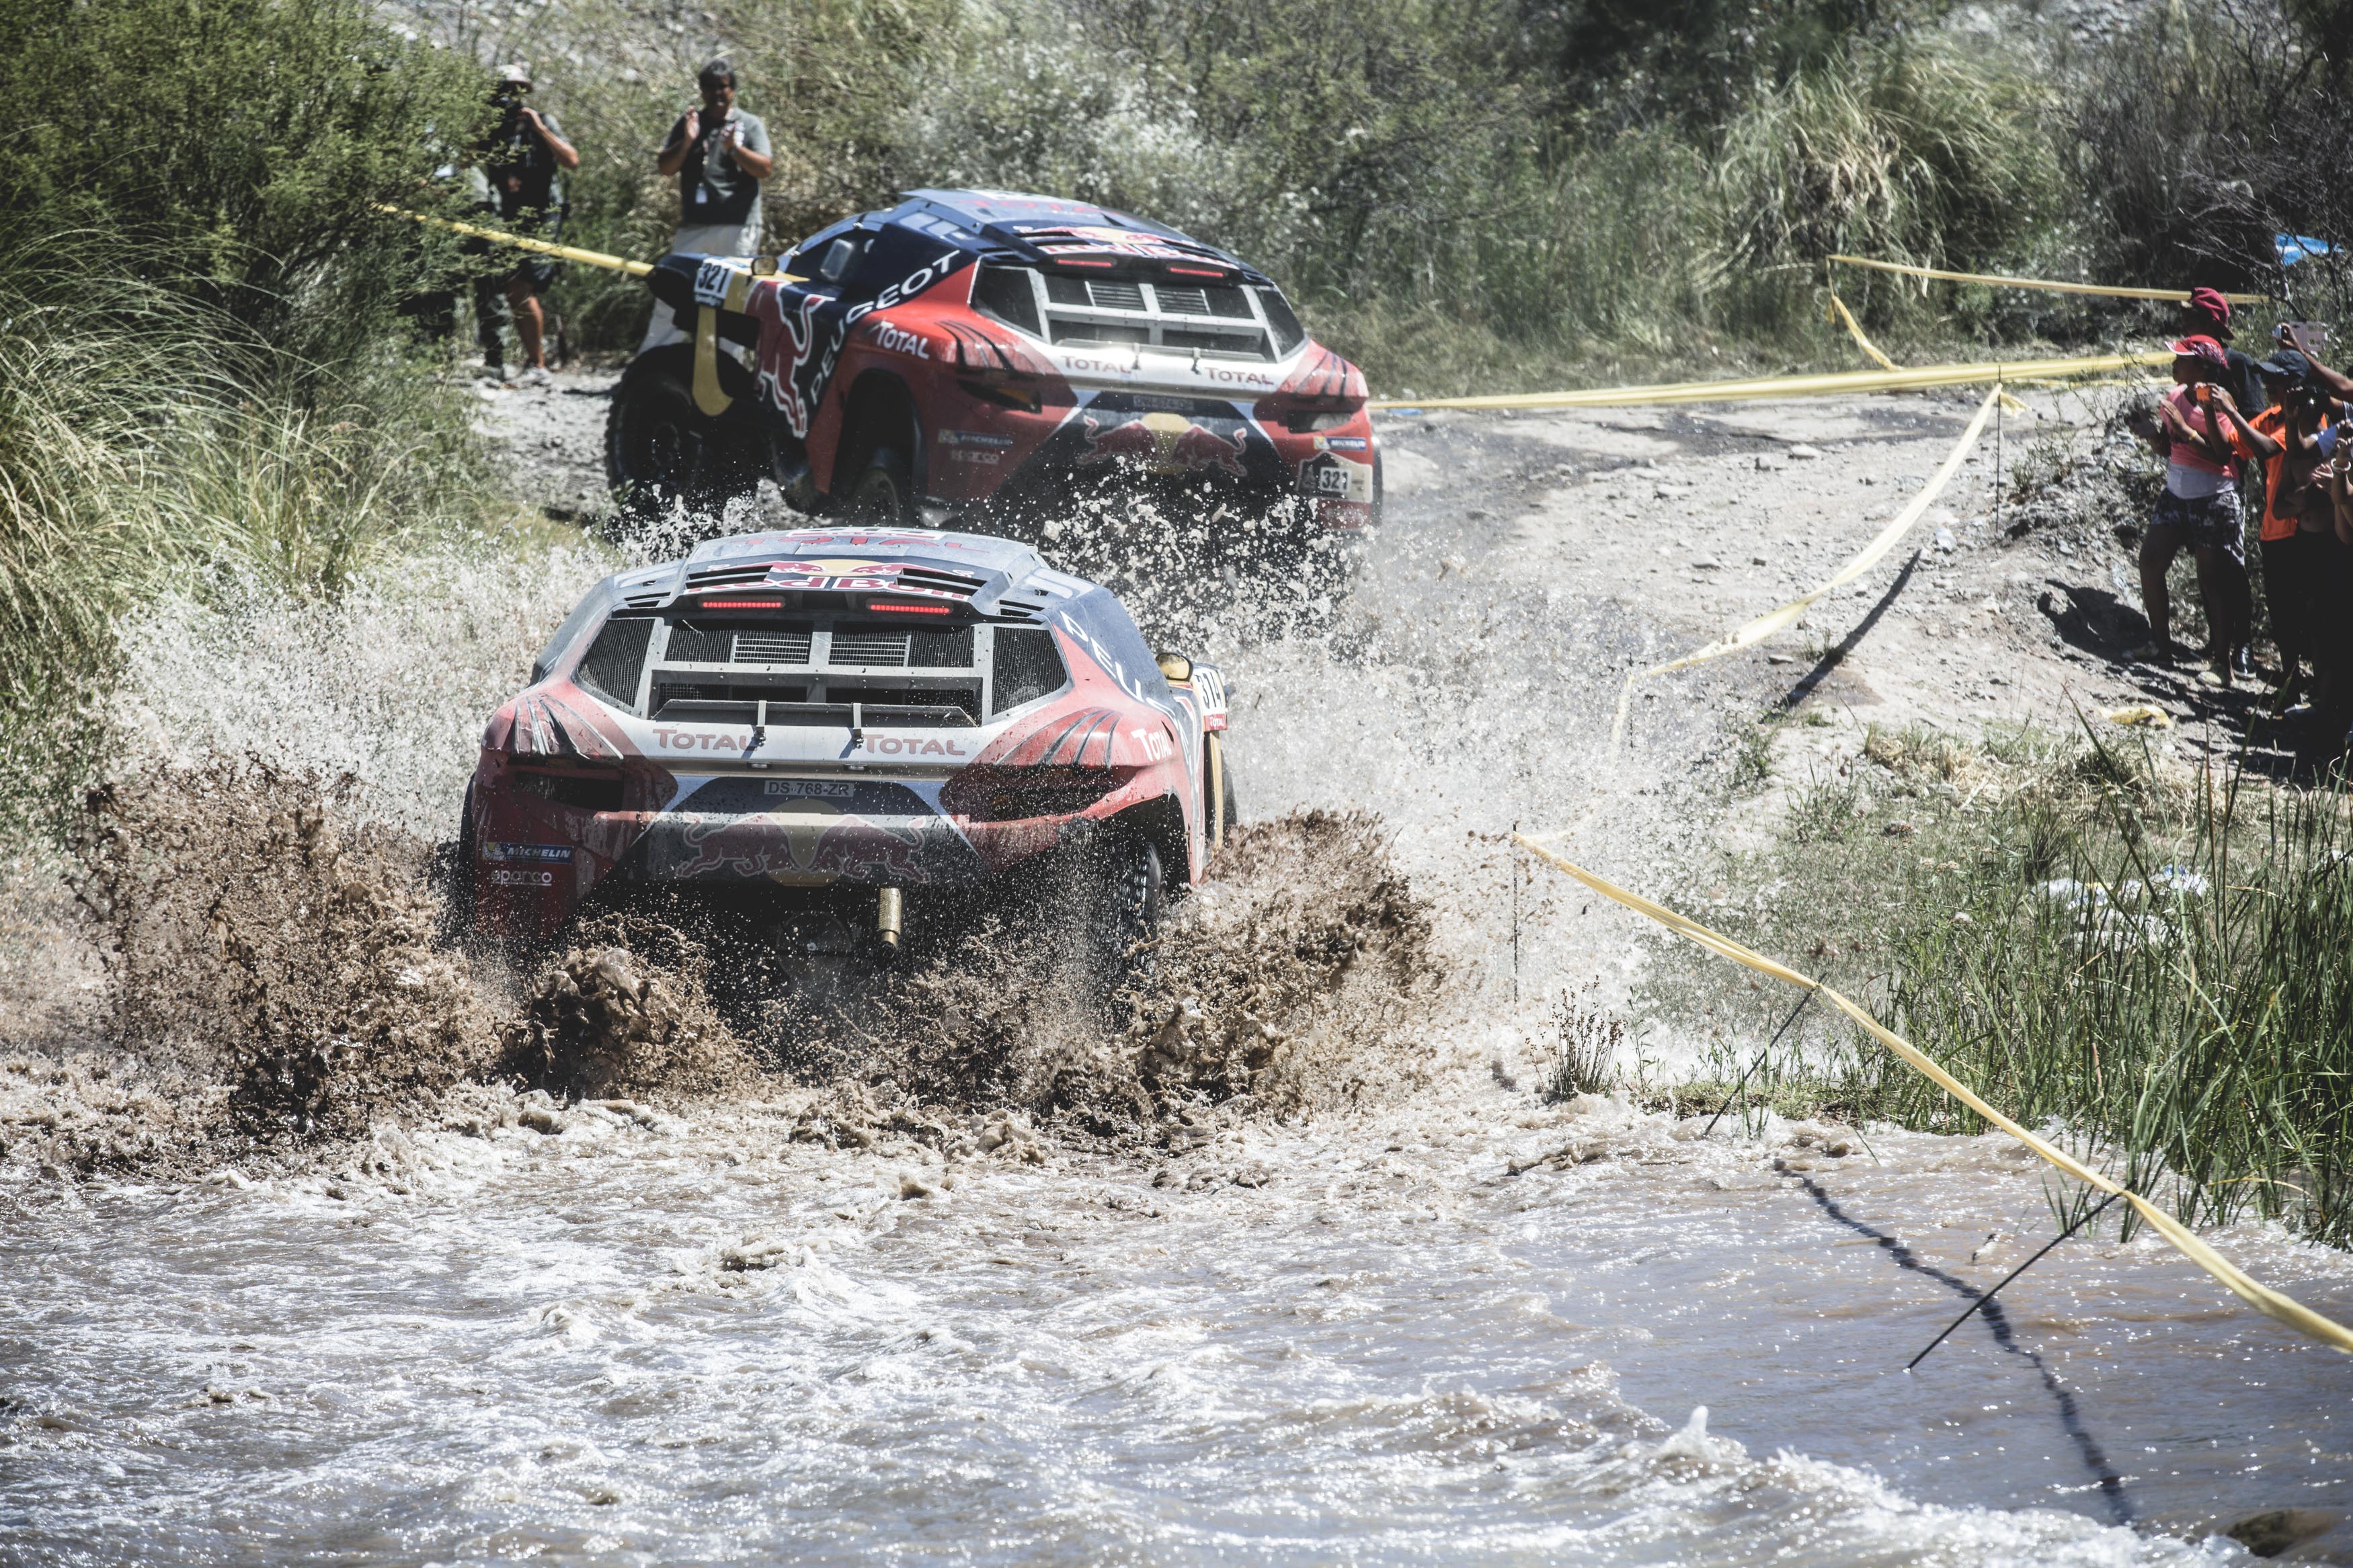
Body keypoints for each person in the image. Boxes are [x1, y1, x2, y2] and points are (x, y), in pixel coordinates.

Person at [2136, 335, 2272, 685]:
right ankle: (2160, 645)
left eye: (2181, 358)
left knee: (2214, 581)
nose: (2174, 364)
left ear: (2202, 366)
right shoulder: (2175, 396)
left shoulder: (2218, 401)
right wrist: (2154, 436)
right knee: (2151, 561)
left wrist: (2184, 430)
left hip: (2213, 496)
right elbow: (2171, 448)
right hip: (2177, 491)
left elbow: (2221, 455)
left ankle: (2222, 665)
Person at [479, 63, 578, 386]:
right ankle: (534, 362)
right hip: (510, 217)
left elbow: (571, 160)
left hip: (543, 215)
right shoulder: (495, 130)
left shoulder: (542, 123)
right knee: (512, 287)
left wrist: (540, 130)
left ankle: (538, 365)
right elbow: (465, 159)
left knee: (522, 286)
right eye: (505, 90)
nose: (511, 98)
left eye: (517, 91)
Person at [655, 58, 773, 257]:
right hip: (694, 226)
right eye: (710, 87)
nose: (717, 93)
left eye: (722, 87)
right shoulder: (690, 124)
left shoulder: (749, 124)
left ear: (733, 90)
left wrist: (734, 149)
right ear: (702, 91)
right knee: (680, 283)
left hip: (737, 228)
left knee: (733, 287)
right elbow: (665, 168)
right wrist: (686, 141)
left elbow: (765, 169)